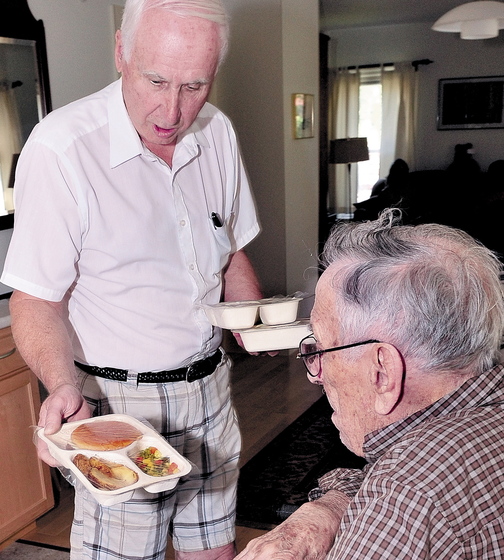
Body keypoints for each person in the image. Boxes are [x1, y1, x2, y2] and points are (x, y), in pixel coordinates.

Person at [1, 1, 264, 559]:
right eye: (156, 80)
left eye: (195, 85)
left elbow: (230, 245)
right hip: (120, 405)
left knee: (215, 549)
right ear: (121, 50)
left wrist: (257, 322)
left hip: (211, 387)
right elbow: (34, 300)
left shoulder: (217, 133)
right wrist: (62, 384)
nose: (173, 109)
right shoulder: (62, 149)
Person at [237, 208, 504, 560]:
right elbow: (387, 470)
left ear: (382, 372)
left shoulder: (405, 495)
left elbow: (403, 486)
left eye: (320, 348)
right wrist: (330, 506)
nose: (314, 374)